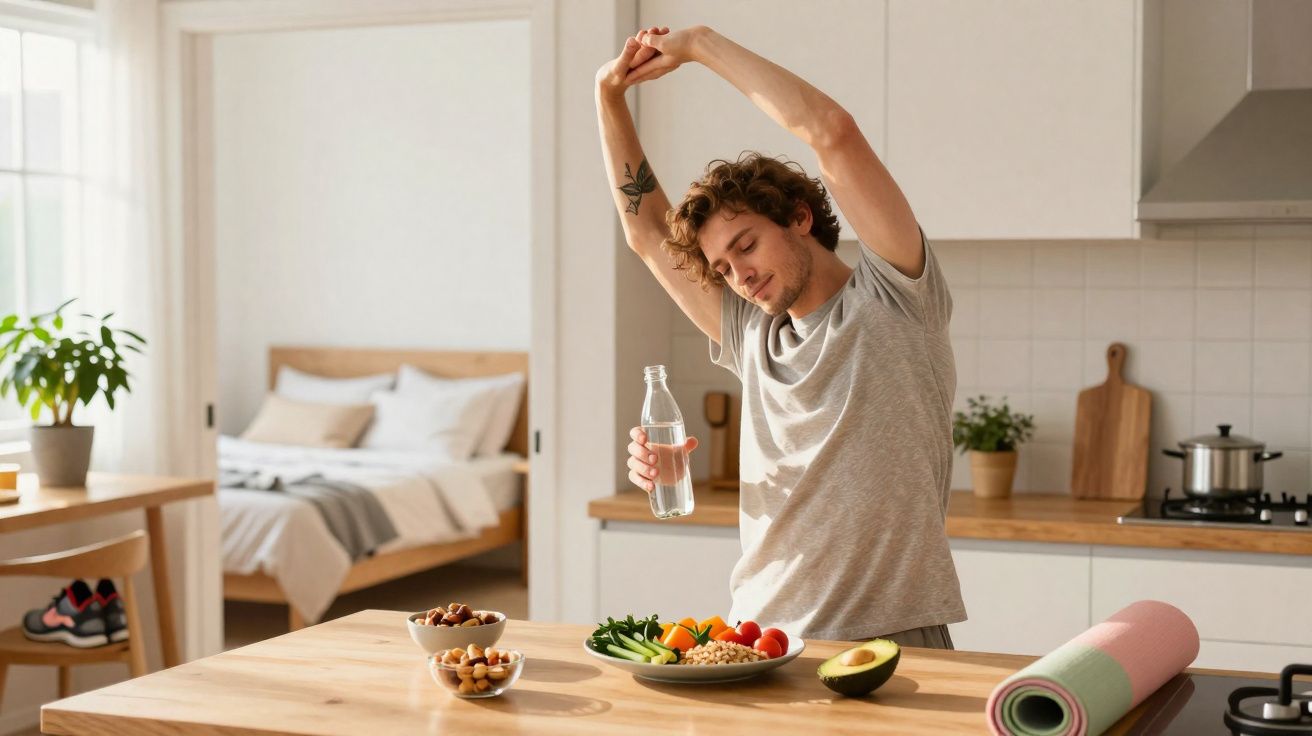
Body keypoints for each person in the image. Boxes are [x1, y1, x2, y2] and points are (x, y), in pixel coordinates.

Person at [595, 25, 964, 647]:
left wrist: (700, 45)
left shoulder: (895, 295)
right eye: (722, 268)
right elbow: (646, 231)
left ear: (799, 217)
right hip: (758, 638)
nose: (739, 276)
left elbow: (831, 133)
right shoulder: (752, 335)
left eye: (747, 246)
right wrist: (606, 96)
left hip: (888, 639)